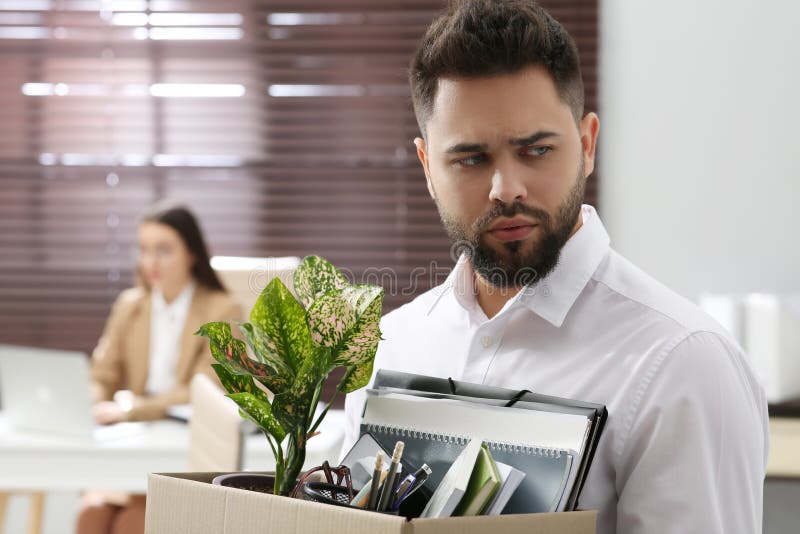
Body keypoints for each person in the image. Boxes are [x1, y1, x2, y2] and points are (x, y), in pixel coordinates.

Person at [342, 1, 768, 533]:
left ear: (587, 145)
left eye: (537, 150)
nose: (506, 188)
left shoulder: (682, 364)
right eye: (470, 159)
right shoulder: (395, 342)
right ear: (429, 168)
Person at [77, 203, 242, 534]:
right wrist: (91, 404)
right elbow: (102, 375)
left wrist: (131, 409)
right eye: (144, 250)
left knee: (132, 523)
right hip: (133, 442)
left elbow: (203, 389)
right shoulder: (130, 305)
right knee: (91, 515)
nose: (150, 262)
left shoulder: (223, 309)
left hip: (184, 447)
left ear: (192, 253)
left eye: (164, 251)